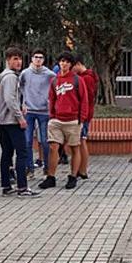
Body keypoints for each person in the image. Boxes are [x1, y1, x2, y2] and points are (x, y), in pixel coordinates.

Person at [37, 52, 88, 190]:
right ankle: (51, 177)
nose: (63, 64)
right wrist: (52, 116)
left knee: (74, 148)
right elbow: (52, 99)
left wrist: (81, 118)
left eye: (66, 61)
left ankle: (72, 176)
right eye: (61, 61)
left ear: (71, 64)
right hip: (56, 120)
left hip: (73, 120)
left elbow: (84, 100)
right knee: (53, 147)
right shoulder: (54, 81)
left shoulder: (78, 80)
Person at [0, 47, 39, 197]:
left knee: (7, 153)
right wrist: (20, 117)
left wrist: (22, 105)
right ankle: (22, 187)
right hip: (11, 121)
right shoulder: (10, 77)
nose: (19, 62)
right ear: (7, 60)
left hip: (4, 120)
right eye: (15, 59)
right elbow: (10, 99)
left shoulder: (6, 76)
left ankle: (6, 186)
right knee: (22, 153)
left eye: (20, 58)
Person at [20, 49, 56, 171]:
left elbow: (57, 85)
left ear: (44, 60)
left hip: (44, 111)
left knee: (45, 141)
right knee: (27, 141)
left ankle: (47, 166)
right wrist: (23, 102)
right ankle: (29, 167)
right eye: (36, 57)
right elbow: (20, 87)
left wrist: (50, 102)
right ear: (31, 58)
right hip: (29, 111)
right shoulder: (25, 73)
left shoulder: (49, 74)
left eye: (41, 57)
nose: (38, 59)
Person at [73, 55, 99, 180]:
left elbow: (86, 98)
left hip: (84, 115)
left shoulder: (86, 78)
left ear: (78, 64)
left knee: (82, 140)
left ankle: (82, 170)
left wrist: (83, 115)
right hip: (84, 114)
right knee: (79, 141)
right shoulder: (87, 76)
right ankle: (80, 168)